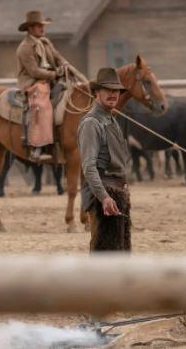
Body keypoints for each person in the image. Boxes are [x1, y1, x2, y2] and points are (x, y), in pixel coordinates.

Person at [78, 67, 131, 251]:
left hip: (117, 192)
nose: (113, 94)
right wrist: (104, 197)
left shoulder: (111, 119)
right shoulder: (91, 123)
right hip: (102, 193)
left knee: (119, 249)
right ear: (96, 93)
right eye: (107, 90)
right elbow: (89, 167)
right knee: (103, 250)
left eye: (116, 90)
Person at [16, 10, 69, 162]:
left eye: (43, 26)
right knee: (42, 104)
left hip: (50, 79)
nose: (43, 29)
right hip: (32, 82)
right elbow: (34, 71)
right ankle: (36, 148)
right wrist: (54, 74)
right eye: (39, 26)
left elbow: (58, 56)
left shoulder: (45, 42)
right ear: (31, 28)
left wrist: (65, 65)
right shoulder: (24, 48)